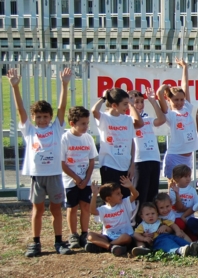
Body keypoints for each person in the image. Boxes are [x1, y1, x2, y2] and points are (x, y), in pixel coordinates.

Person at [7, 68, 72, 257]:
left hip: (54, 175)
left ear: (50, 118)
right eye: (38, 117)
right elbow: (20, 109)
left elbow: (62, 108)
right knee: (38, 209)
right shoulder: (29, 130)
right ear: (33, 117)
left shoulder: (57, 129)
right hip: (37, 176)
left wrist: (64, 84)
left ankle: (59, 241)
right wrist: (15, 87)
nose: (42, 120)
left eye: (45, 116)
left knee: (56, 209)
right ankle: (35, 243)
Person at [92, 87, 143, 199]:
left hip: (125, 166)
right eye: (125, 104)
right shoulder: (104, 118)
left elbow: (139, 124)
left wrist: (132, 164)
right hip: (109, 165)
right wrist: (104, 97)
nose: (127, 106)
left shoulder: (128, 119)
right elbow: (94, 111)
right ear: (114, 105)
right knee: (111, 198)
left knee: (124, 199)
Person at [61, 106, 99, 249]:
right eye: (82, 123)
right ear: (72, 123)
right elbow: (62, 163)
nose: (86, 126)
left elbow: (91, 161)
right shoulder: (65, 138)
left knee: (85, 206)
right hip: (70, 181)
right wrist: (77, 179)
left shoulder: (88, 138)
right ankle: (73, 234)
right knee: (72, 207)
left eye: (87, 123)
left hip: (85, 180)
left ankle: (84, 233)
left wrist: (86, 179)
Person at [158, 58, 198, 187]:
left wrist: (185, 68)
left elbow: (185, 86)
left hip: (187, 157)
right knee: (173, 186)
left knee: (185, 186)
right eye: (176, 100)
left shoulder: (187, 107)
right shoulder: (170, 114)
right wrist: (163, 88)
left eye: (181, 99)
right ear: (169, 100)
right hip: (174, 155)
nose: (180, 102)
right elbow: (159, 95)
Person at [129, 88, 166, 221]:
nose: (139, 105)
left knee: (152, 193)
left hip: (154, 158)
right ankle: (137, 222)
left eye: (141, 102)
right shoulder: (128, 119)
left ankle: (151, 223)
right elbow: (136, 122)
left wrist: (152, 101)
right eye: (135, 102)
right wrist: (130, 106)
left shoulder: (147, 118)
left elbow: (161, 120)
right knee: (140, 194)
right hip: (139, 160)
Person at [85, 177, 139, 256]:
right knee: (90, 235)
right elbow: (92, 211)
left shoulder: (124, 203)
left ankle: (103, 246)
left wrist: (130, 186)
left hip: (123, 236)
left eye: (120, 193)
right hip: (108, 236)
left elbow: (135, 195)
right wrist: (94, 195)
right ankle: (111, 247)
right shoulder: (103, 209)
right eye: (118, 194)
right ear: (108, 199)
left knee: (126, 237)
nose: (121, 195)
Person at [131, 202, 198, 257]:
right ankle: (179, 250)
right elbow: (135, 234)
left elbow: (173, 225)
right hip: (157, 240)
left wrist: (177, 231)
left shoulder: (161, 220)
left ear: (157, 214)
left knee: (178, 239)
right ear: (142, 217)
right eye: (147, 214)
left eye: (153, 213)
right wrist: (144, 238)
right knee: (168, 244)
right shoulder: (142, 225)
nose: (150, 216)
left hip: (170, 235)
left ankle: (192, 247)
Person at [169, 165, 198, 237]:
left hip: (189, 218)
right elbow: (179, 208)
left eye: (189, 176)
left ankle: (193, 240)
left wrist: (186, 209)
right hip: (176, 218)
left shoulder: (192, 190)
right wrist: (177, 194)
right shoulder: (172, 190)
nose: (188, 179)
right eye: (185, 177)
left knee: (194, 226)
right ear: (176, 178)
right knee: (180, 224)